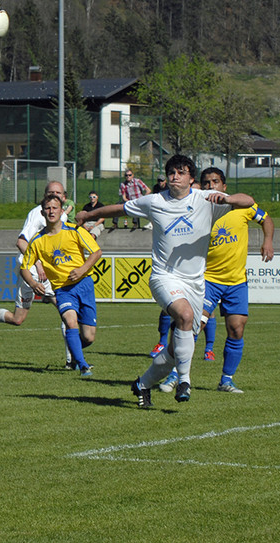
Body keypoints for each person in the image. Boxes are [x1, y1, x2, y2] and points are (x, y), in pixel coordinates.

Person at [75, 154, 253, 407]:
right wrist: (87, 215)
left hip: (195, 283)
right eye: (171, 172)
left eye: (181, 172)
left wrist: (228, 199)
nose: (174, 176)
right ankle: (185, 381)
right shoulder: (154, 201)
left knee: (174, 349)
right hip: (164, 277)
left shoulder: (205, 199)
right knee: (185, 316)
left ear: (191, 179)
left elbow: (248, 202)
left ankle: (142, 384)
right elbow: (118, 208)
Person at [156, 167, 274, 394]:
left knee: (237, 328)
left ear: (224, 185)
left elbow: (266, 219)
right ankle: (175, 376)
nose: (211, 186)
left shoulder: (240, 207)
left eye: (216, 182)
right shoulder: (198, 209)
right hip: (207, 280)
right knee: (192, 327)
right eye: (207, 183)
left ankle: (226, 380)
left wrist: (267, 241)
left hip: (236, 281)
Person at [0, 180, 67, 335]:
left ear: (64, 197)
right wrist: (38, 263)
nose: (54, 196)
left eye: (58, 193)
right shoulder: (38, 213)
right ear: (45, 196)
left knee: (18, 319)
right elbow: (21, 241)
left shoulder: (62, 216)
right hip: (32, 271)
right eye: (51, 193)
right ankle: (72, 359)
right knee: (67, 312)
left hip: (48, 271)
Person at [20, 194, 102, 377]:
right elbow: (24, 268)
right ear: (42, 213)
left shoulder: (75, 231)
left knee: (88, 337)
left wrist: (82, 269)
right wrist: (33, 283)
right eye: (47, 208)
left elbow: (96, 252)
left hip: (84, 284)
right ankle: (83, 366)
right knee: (70, 322)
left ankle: (76, 352)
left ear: (61, 211)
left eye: (54, 208)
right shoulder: (37, 241)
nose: (51, 211)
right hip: (63, 290)